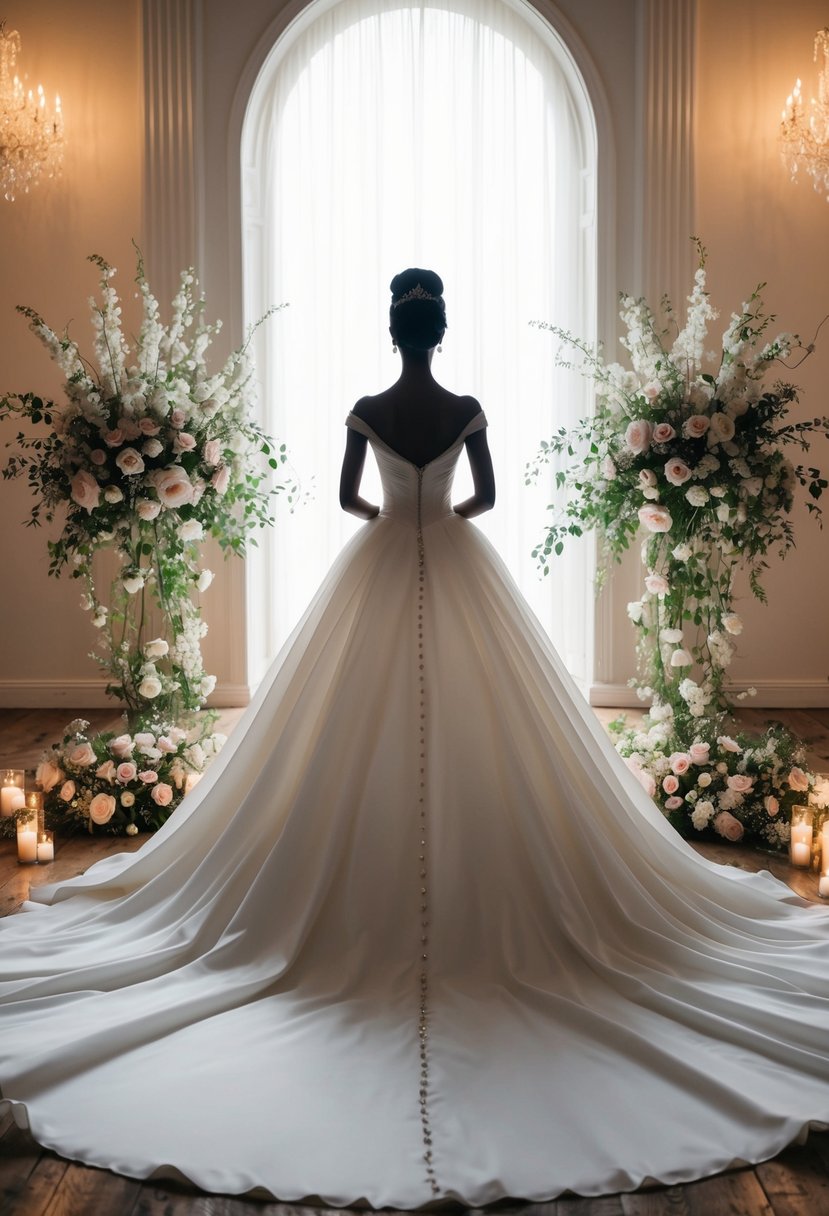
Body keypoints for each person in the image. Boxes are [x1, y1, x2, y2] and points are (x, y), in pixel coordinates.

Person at [1, 268, 829, 1209]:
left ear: (394, 332)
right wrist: (442, 517)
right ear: (440, 332)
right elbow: (485, 499)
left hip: (383, 556)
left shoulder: (364, 408)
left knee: (325, 737)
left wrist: (398, 518)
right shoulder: (468, 407)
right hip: (457, 559)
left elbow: (351, 500)